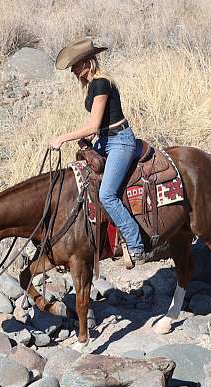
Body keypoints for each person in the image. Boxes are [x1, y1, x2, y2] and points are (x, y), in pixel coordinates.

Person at [49, 37, 145, 266]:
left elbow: (93, 125)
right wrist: (88, 139)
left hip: (120, 142)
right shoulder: (93, 85)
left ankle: (136, 244)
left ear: (87, 62)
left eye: (75, 64)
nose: (73, 70)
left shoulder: (101, 83)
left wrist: (63, 138)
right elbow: (99, 125)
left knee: (107, 195)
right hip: (105, 139)